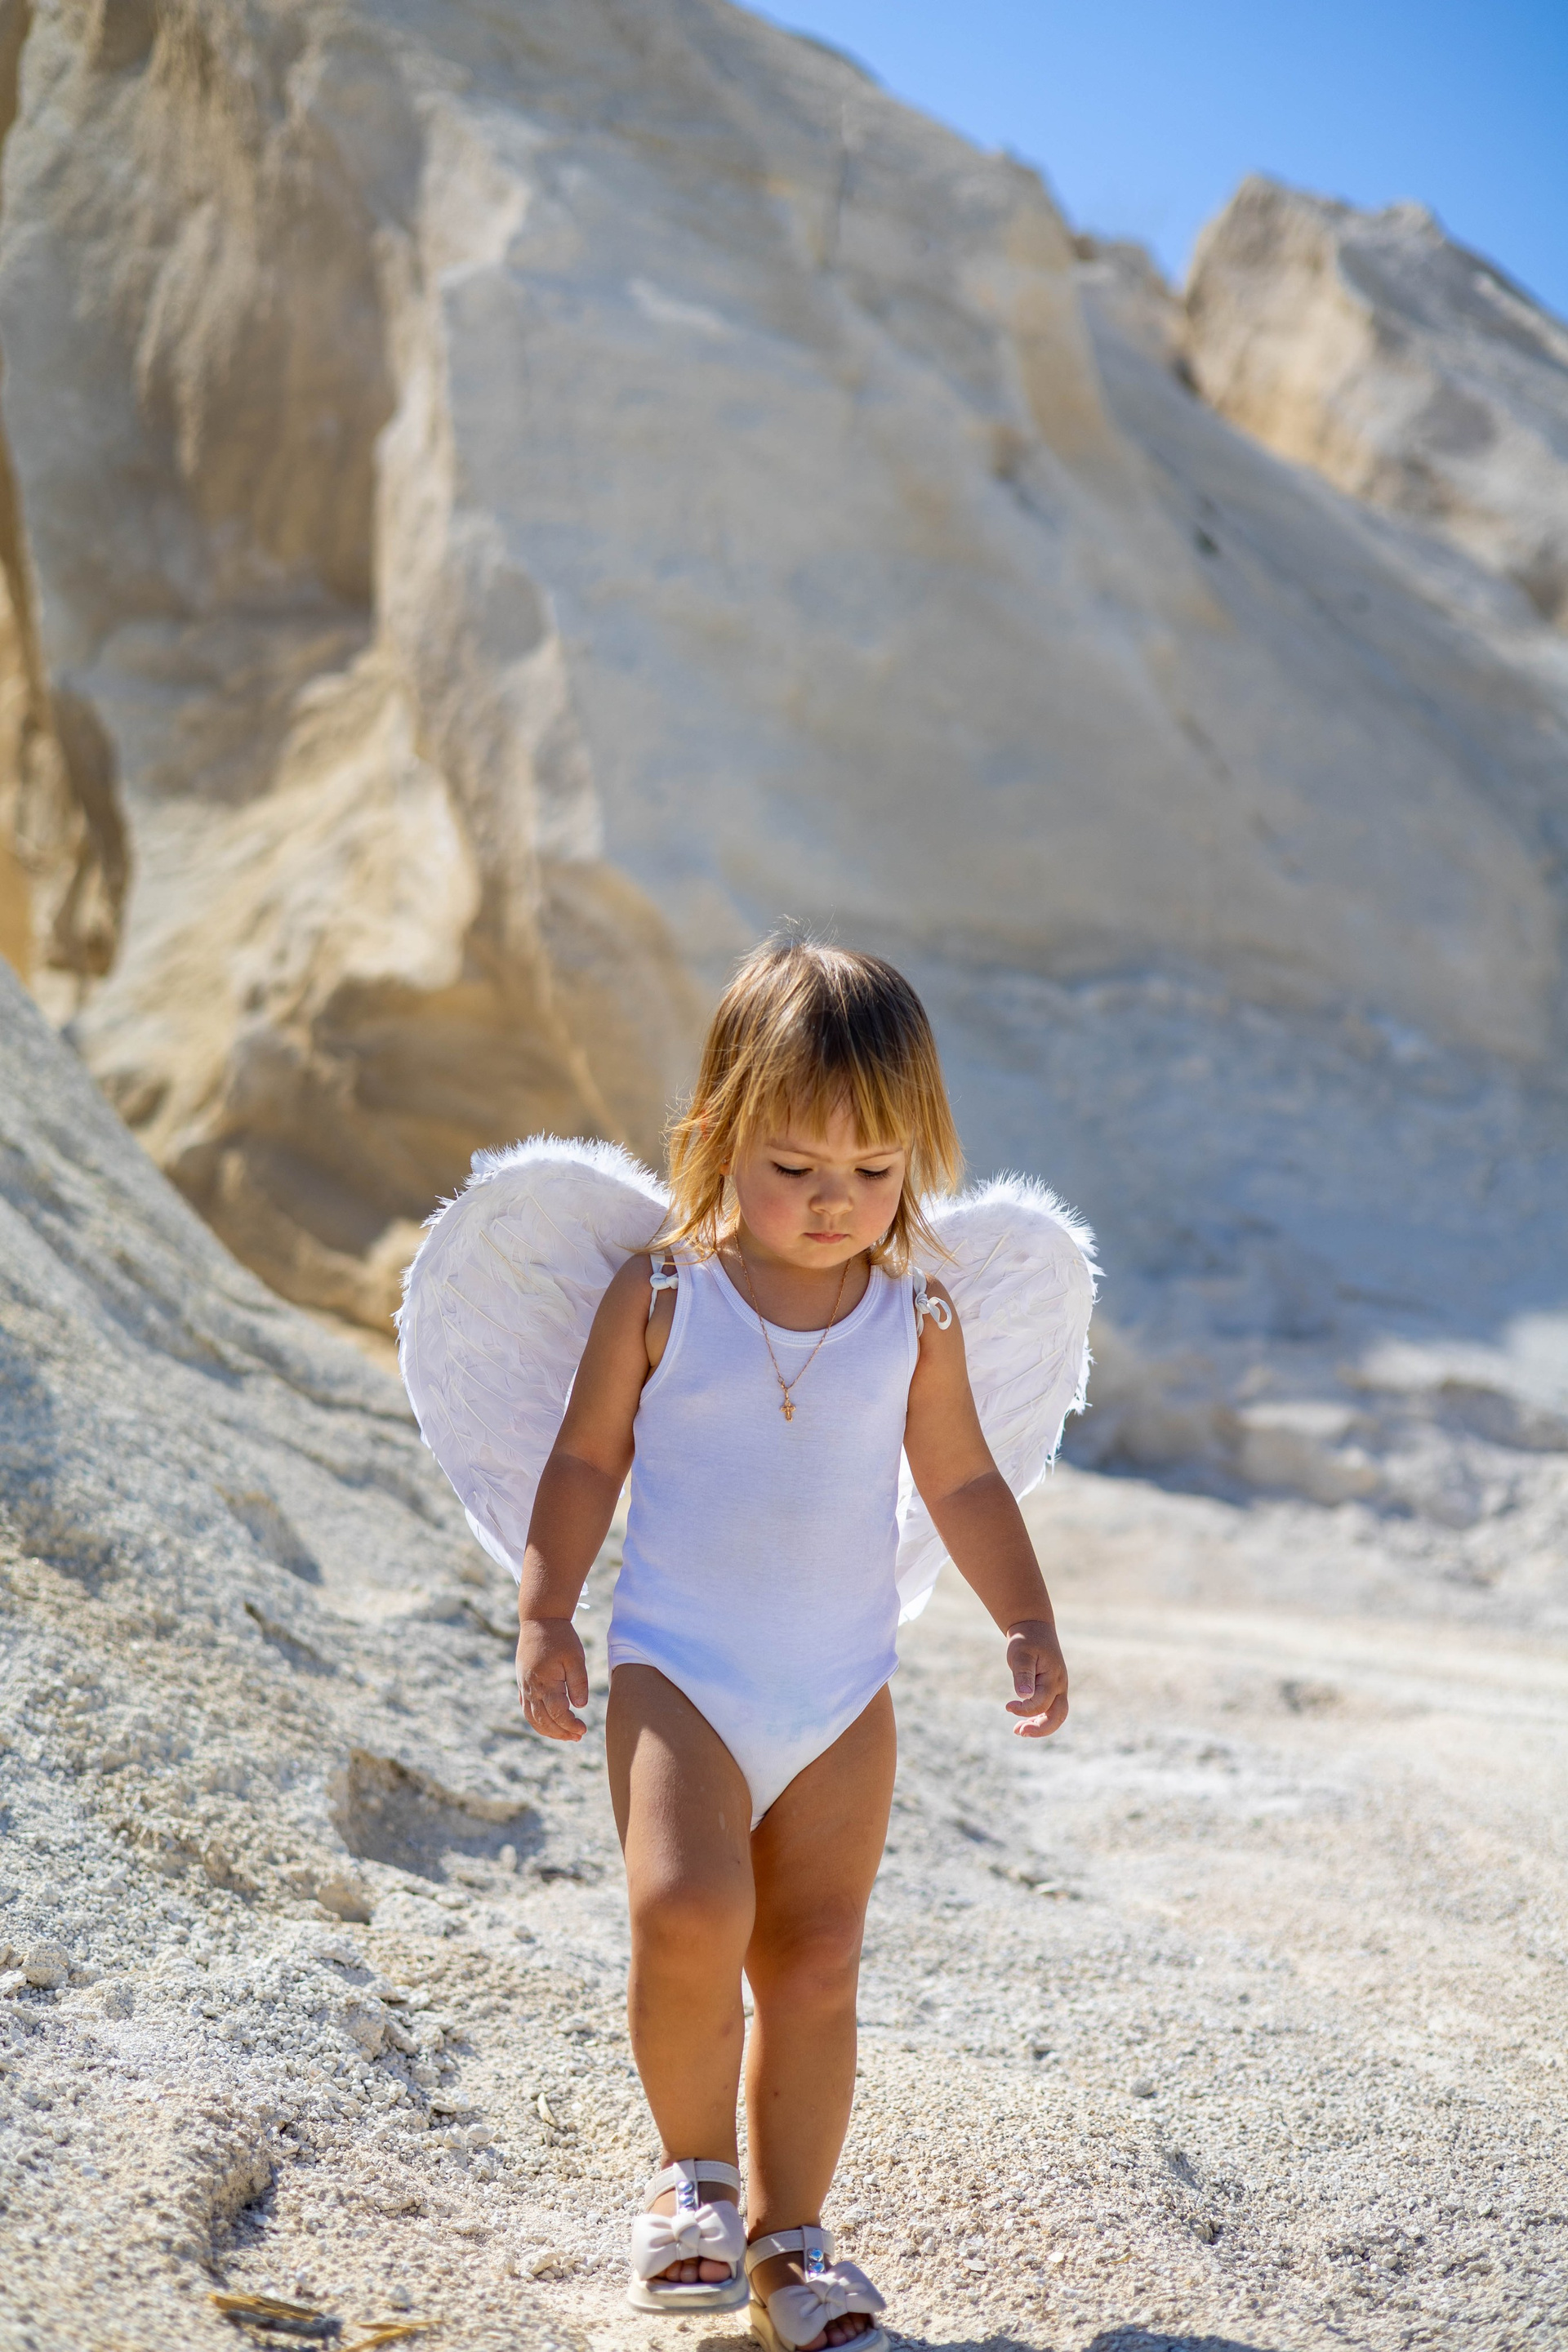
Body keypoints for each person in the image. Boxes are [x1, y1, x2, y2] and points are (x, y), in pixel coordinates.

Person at [513, 938, 1070, 2352]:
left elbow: (962, 1481)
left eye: (874, 1170)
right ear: (717, 1133)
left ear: (919, 1155)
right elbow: (584, 1459)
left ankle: (791, 2242)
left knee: (817, 1962)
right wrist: (546, 1608)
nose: (835, 1202)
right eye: (795, 1166)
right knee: (686, 1912)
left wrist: (1026, 1617)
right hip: (679, 1673)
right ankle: (693, 2184)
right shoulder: (664, 1294)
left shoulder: (915, 1316)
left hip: (840, 1693)